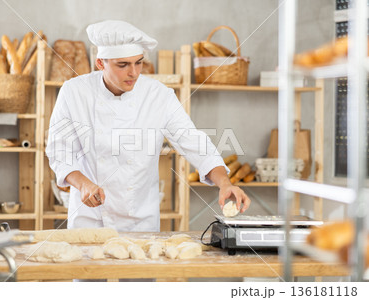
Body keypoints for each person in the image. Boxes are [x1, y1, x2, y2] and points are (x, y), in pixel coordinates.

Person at [46, 20, 251, 232]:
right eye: (123, 65)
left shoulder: (158, 95)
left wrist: (225, 183)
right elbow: (59, 151)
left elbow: (194, 142)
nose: (134, 72)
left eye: (139, 62)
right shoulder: (74, 92)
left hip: (140, 223)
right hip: (89, 221)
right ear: (100, 63)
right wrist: (82, 183)